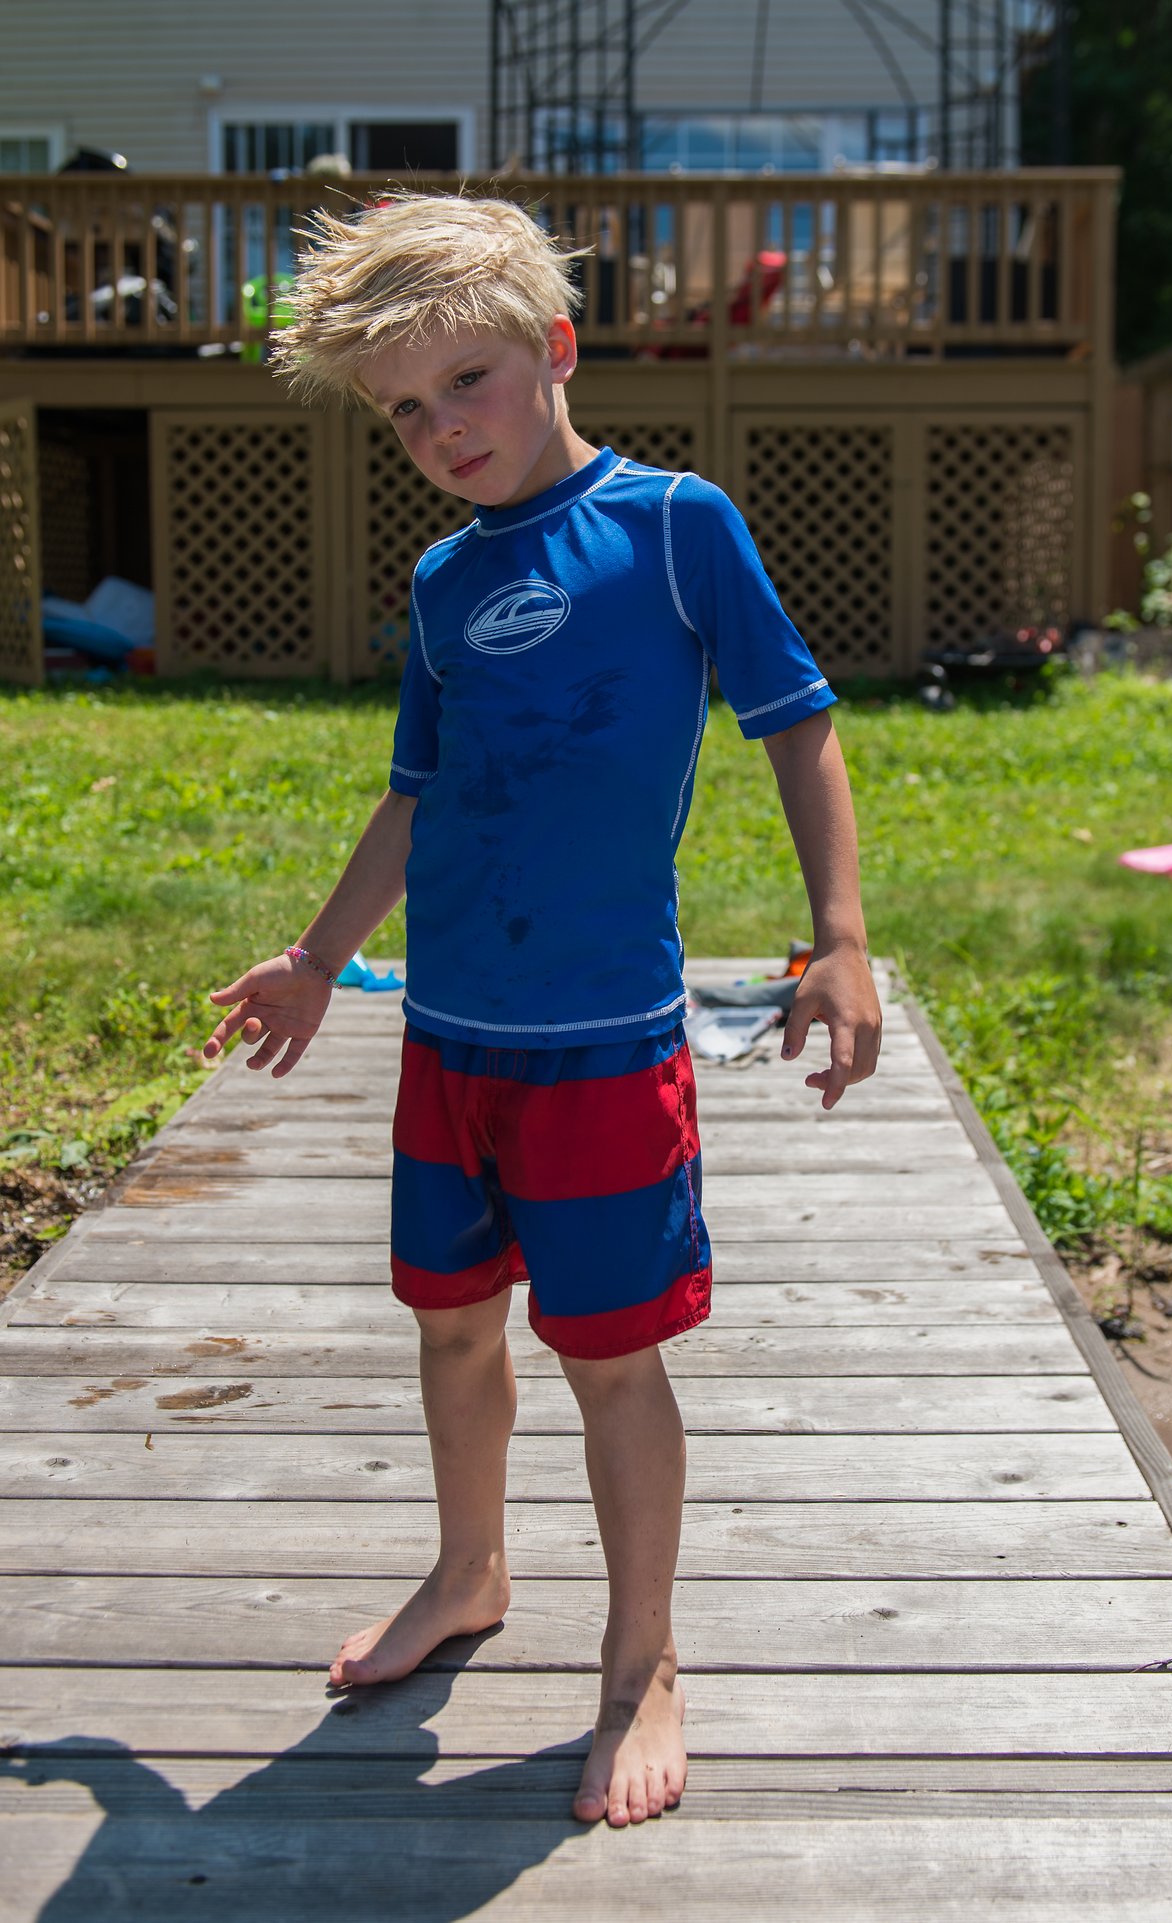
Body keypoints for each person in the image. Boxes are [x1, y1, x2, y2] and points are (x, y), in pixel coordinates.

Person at [201, 191, 882, 1829]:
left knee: (611, 1360)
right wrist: (313, 957)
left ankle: (642, 1659)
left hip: (604, 1046)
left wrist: (838, 937)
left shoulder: (674, 525)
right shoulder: (445, 580)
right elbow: (414, 796)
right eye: (407, 412)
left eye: (470, 383)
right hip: (454, 1038)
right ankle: (471, 1568)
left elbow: (798, 723)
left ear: (555, 350)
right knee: (448, 1325)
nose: (443, 430)